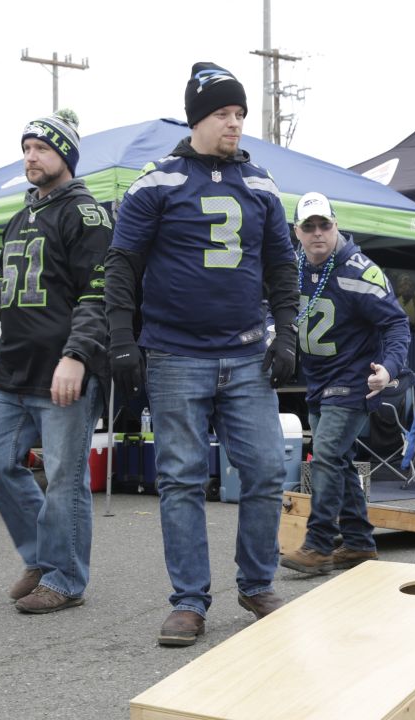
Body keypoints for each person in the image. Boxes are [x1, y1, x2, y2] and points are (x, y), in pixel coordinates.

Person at [105, 61, 299, 647]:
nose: (234, 124)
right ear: (196, 119)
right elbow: (122, 264)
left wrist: (286, 332)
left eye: (239, 114)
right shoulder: (155, 182)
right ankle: (189, 600)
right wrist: (120, 338)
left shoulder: (262, 183)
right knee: (181, 479)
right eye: (223, 114)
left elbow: (282, 265)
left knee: (266, 469)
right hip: (173, 355)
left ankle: (257, 582)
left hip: (245, 354)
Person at [0, 111, 111, 615]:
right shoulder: (21, 215)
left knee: (66, 479)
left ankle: (66, 578)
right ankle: (42, 555)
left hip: (63, 370)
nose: (31, 156)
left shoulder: (86, 214)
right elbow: (33, 291)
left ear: (64, 156)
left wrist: (76, 356)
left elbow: (98, 293)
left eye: (42, 148)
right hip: (10, 368)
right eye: (26, 147)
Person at [278, 192, 410, 575]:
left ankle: (319, 545)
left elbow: (397, 324)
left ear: (336, 226)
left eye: (325, 225)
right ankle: (358, 542)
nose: (318, 233)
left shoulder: (359, 270)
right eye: (309, 226)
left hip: (354, 380)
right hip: (317, 380)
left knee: (326, 456)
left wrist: (388, 369)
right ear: (297, 232)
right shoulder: (292, 265)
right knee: (341, 460)